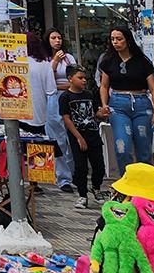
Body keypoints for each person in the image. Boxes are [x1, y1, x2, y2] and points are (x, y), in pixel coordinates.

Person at [99, 26, 154, 172]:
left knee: (144, 148)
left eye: (119, 39)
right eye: (113, 39)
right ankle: (126, 183)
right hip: (118, 104)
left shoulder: (142, 61)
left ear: (127, 40)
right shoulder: (108, 61)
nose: (115, 42)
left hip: (141, 103)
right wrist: (104, 104)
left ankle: (144, 184)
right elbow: (103, 86)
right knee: (123, 147)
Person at [60, 65, 111, 209]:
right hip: (77, 137)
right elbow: (67, 119)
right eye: (80, 78)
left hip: (93, 134)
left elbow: (95, 113)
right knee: (81, 167)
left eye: (85, 78)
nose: (83, 81)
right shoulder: (65, 97)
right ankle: (82, 195)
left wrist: (102, 113)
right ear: (70, 79)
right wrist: (78, 137)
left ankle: (96, 187)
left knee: (99, 165)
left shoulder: (89, 94)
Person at [45, 28, 79, 191]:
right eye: (53, 38)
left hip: (70, 97)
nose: (57, 41)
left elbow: (75, 79)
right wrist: (55, 63)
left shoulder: (69, 58)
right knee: (58, 138)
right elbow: (47, 80)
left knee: (72, 135)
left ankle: (74, 173)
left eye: (59, 37)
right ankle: (62, 177)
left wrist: (64, 84)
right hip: (53, 98)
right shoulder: (44, 59)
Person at [21, 33, 54, 135]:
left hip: (18, 113)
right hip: (39, 113)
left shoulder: (15, 63)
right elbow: (51, 90)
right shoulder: (45, 65)